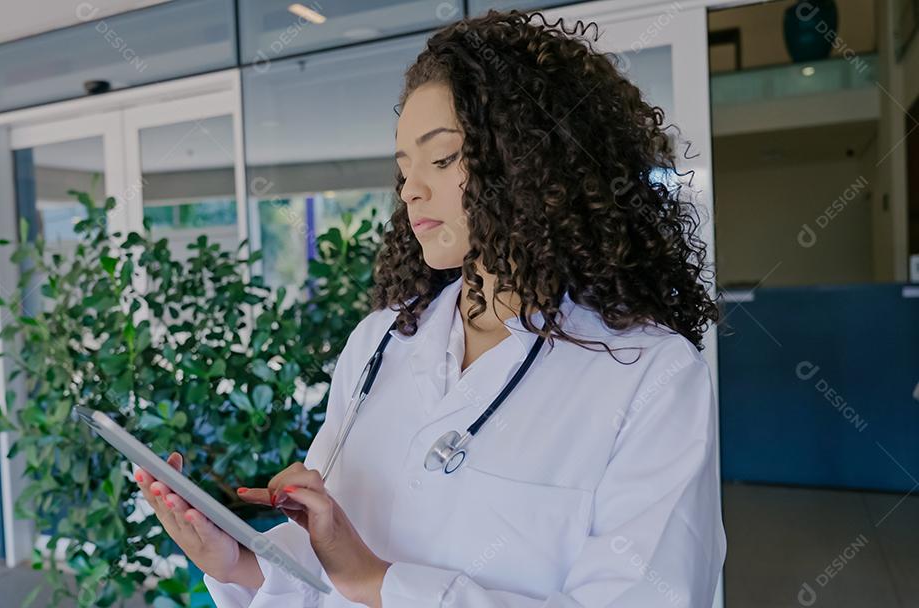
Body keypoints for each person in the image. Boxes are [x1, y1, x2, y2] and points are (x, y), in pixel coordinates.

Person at [134, 9, 726, 607]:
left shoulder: (650, 376)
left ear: (532, 164)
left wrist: (381, 582)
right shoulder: (380, 342)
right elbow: (329, 569)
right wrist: (242, 565)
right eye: (404, 167)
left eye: (442, 159)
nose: (411, 188)